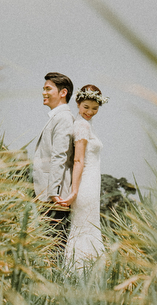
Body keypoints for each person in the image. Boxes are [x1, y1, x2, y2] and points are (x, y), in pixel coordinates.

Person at [57, 83, 106, 270]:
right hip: (84, 184)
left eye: (95, 109)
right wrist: (74, 191)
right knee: (84, 227)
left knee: (88, 226)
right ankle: (81, 272)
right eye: (86, 107)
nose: (90, 112)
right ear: (78, 103)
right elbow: (78, 160)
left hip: (91, 184)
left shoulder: (85, 125)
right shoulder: (82, 126)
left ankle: (85, 272)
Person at [32, 72, 75, 262]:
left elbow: (60, 156)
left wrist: (54, 193)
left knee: (55, 244)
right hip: (47, 193)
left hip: (54, 195)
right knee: (46, 243)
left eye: (48, 88)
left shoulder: (64, 118)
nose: (43, 93)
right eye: (44, 89)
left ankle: (54, 283)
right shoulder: (56, 117)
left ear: (63, 92)